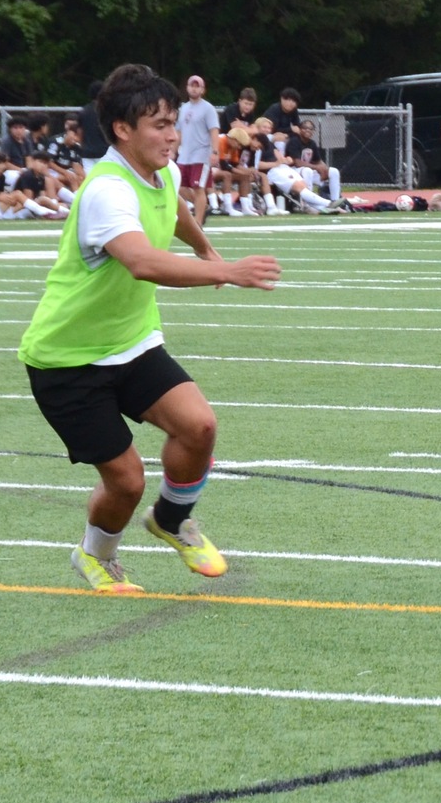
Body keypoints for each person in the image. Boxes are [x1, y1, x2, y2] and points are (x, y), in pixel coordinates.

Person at [17, 63, 282, 594]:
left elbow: (176, 206)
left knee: (199, 427)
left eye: (172, 122)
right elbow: (141, 261)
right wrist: (225, 269)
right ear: (122, 129)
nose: (172, 135)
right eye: (159, 124)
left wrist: (202, 243)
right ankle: (96, 556)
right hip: (69, 361)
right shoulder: (106, 191)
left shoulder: (155, 170)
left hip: (131, 343)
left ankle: (172, 519)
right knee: (126, 480)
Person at [253, 116, 340, 214]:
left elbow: (280, 157)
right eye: (264, 127)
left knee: (303, 186)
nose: (267, 130)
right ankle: (328, 203)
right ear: (257, 127)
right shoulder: (256, 143)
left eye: (269, 128)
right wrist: (276, 163)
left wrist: (286, 160)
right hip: (272, 172)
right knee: (299, 187)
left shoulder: (267, 143)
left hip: (282, 168)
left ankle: (323, 208)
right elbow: (256, 165)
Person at [175, 74, 219, 226]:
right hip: (184, 155)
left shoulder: (208, 109)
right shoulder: (183, 108)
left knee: (198, 187)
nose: (194, 88)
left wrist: (215, 152)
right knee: (179, 187)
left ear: (202, 89)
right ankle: (202, 206)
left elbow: (214, 131)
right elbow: (179, 132)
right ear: (187, 88)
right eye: (191, 85)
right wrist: (173, 151)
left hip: (201, 155)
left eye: (197, 86)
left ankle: (198, 222)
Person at [284, 118, 342, 201]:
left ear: (313, 131)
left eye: (310, 129)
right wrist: (317, 167)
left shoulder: (312, 143)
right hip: (293, 171)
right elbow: (297, 163)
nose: (308, 130)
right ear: (300, 130)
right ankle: (309, 203)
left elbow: (318, 160)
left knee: (333, 171)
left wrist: (324, 169)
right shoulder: (294, 141)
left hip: (308, 171)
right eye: (305, 128)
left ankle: (335, 201)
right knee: (308, 171)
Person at [77, 80, 108, 173]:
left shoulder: (84, 111)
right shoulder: (106, 111)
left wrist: (83, 147)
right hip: (104, 152)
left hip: (87, 153)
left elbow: (80, 133)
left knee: (90, 180)